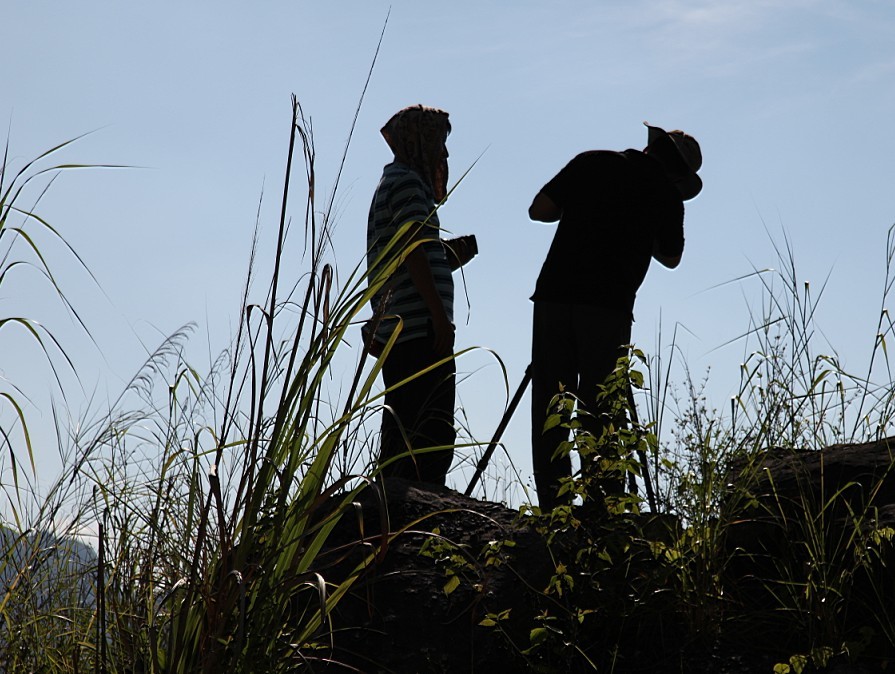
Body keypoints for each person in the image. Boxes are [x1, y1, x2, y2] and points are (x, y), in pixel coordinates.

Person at [528, 122, 703, 509]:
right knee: (602, 406)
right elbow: (672, 259)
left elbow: (539, 210)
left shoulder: (591, 162)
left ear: (652, 145)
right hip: (607, 309)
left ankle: (553, 510)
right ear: (679, 173)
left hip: (554, 297)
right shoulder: (666, 196)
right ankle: (602, 508)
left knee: (551, 406)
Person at [366, 105, 477, 486]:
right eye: (438, 144)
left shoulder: (394, 182)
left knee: (405, 419)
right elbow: (413, 250)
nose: (443, 155)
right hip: (419, 329)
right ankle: (420, 506)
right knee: (430, 426)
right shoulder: (408, 183)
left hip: (404, 328)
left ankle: (396, 498)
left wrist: (447, 258)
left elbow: (408, 253)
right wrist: (439, 317)